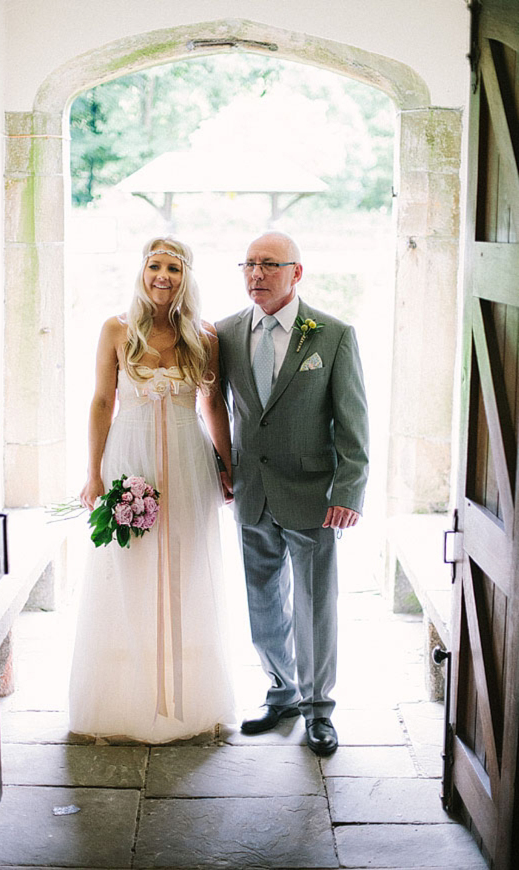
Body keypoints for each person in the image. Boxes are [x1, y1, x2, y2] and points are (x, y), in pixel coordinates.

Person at [69, 236, 234, 743]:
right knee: (130, 567)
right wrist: (94, 472)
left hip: (187, 461)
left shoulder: (205, 336)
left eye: (175, 268)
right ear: (142, 271)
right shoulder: (116, 329)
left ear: (188, 276)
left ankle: (187, 697)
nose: (163, 276)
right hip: (131, 458)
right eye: (155, 266)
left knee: (185, 568)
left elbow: (213, 407)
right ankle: (127, 697)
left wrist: (228, 466)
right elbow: (101, 402)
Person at [216, 231, 369, 756]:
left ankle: (318, 709)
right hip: (251, 492)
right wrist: (221, 468)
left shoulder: (332, 334)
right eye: (249, 264)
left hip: (312, 495)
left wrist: (349, 488)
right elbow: (216, 409)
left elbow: (353, 423)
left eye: (269, 265)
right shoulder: (226, 333)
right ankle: (280, 692)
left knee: (314, 604)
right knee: (263, 601)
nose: (255, 274)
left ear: (296, 273)